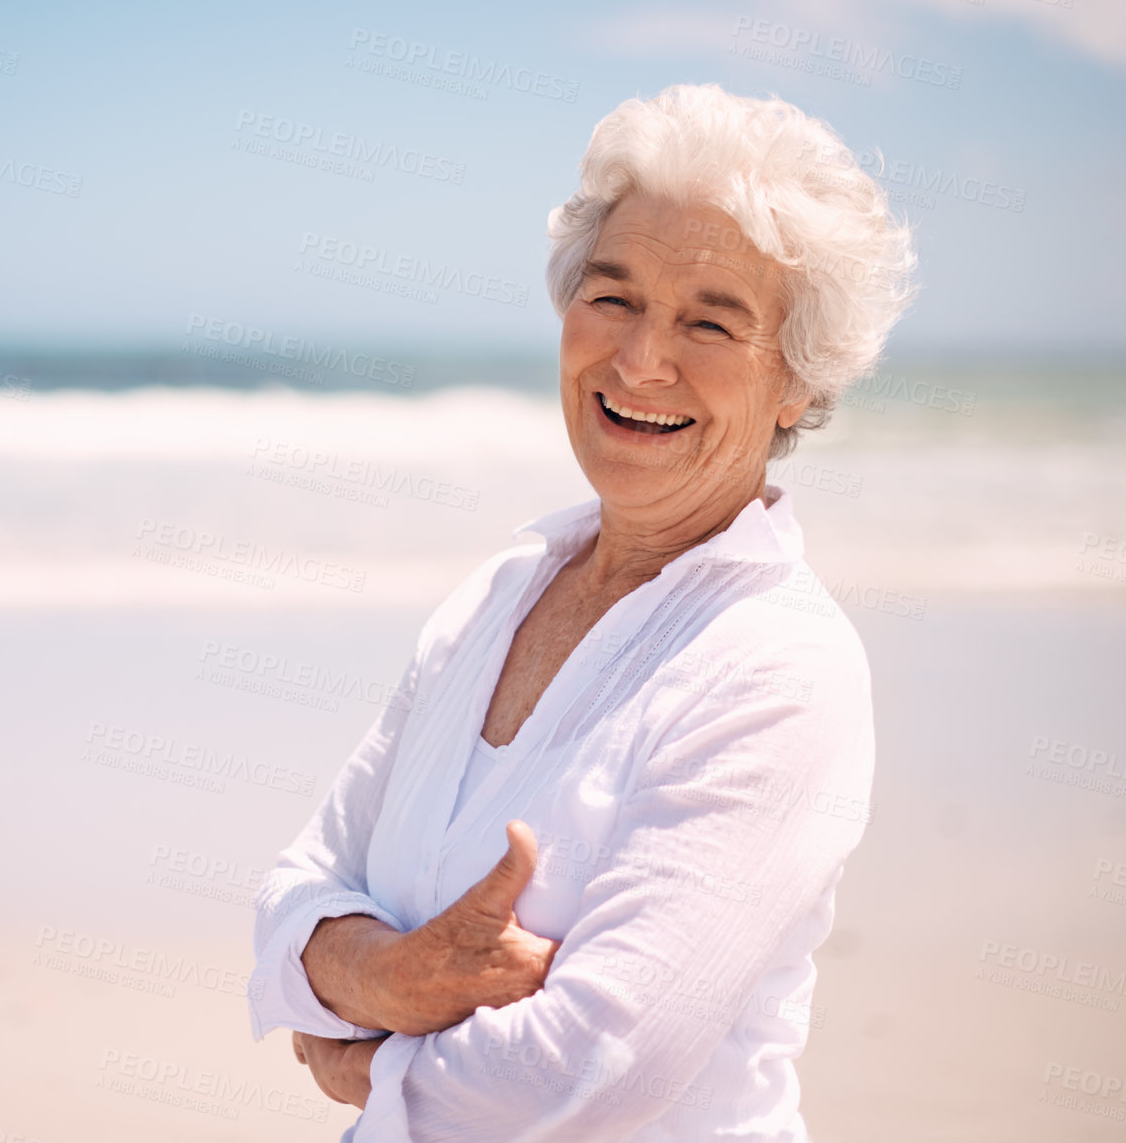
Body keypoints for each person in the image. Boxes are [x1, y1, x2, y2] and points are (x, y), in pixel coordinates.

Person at [248, 83, 914, 1141]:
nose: (641, 359)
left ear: (796, 382)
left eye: (709, 320)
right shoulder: (503, 585)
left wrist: (361, 1057)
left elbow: (591, 1066)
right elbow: (292, 899)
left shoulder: (780, 669)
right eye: (612, 298)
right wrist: (391, 977)